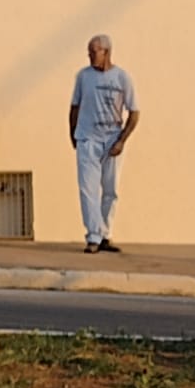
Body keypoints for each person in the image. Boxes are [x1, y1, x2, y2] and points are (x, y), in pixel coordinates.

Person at [70, 34, 140, 255]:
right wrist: (74, 134)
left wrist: (122, 140)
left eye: (94, 52)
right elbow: (75, 106)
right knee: (88, 189)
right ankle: (93, 235)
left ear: (106, 52)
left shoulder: (122, 78)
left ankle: (105, 233)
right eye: (89, 52)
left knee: (110, 189)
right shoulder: (83, 77)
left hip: (112, 139)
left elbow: (134, 113)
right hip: (88, 138)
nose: (90, 56)